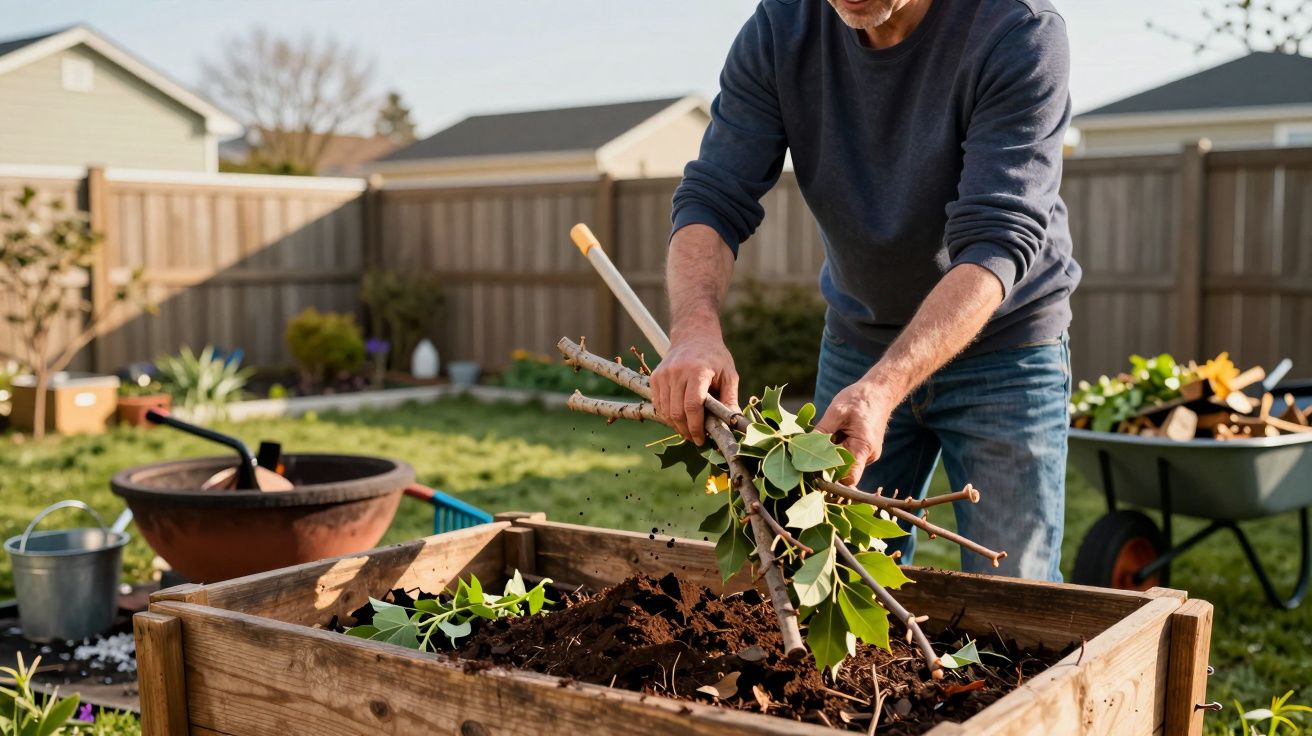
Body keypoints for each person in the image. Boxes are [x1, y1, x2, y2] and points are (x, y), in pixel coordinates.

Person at [649, 0, 1080, 581]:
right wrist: (694, 331)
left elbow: (996, 242)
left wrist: (884, 387)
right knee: (829, 577)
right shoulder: (782, 30)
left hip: (1005, 349)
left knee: (1016, 595)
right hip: (859, 342)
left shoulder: (1016, 30)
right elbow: (713, 197)